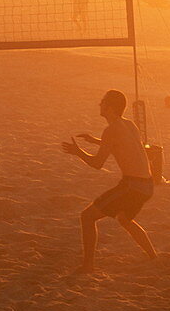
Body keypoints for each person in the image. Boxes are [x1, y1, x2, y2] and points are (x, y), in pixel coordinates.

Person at [61, 90, 157, 273]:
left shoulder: (110, 130)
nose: (100, 104)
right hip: (147, 185)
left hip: (132, 186)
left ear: (110, 107)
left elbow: (97, 163)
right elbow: (121, 143)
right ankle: (153, 256)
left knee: (87, 217)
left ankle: (88, 266)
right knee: (124, 219)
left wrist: (77, 151)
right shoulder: (129, 125)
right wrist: (94, 140)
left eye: (102, 101)